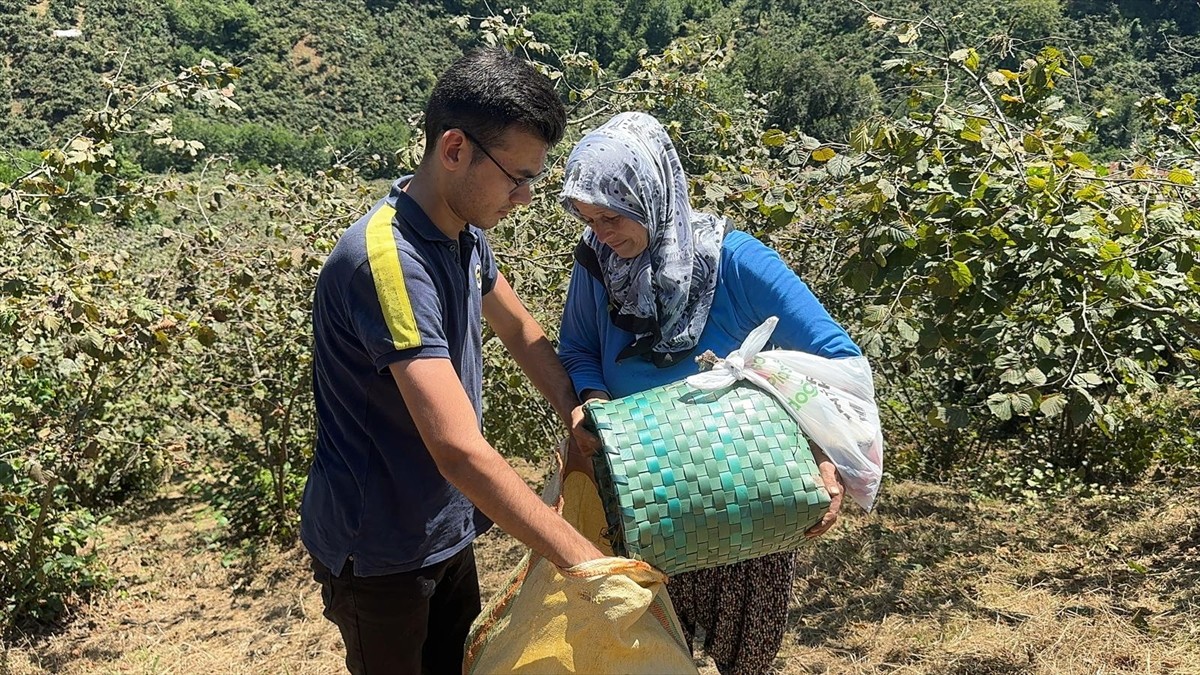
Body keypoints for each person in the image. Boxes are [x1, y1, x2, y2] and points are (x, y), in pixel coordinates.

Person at [301, 47, 604, 675]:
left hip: (445, 524)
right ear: (456, 149)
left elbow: (519, 329)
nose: (523, 197)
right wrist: (586, 562)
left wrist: (575, 411)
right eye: (516, 177)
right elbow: (458, 449)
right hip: (381, 547)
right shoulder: (388, 264)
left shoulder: (464, 234)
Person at [557, 111, 862, 675]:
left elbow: (834, 359)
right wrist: (594, 403)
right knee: (648, 657)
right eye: (588, 218)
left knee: (745, 656)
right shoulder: (597, 266)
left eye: (612, 216)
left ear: (653, 194)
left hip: (744, 497)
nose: (601, 233)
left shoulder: (738, 262)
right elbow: (575, 348)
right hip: (643, 496)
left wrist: (825, 453)